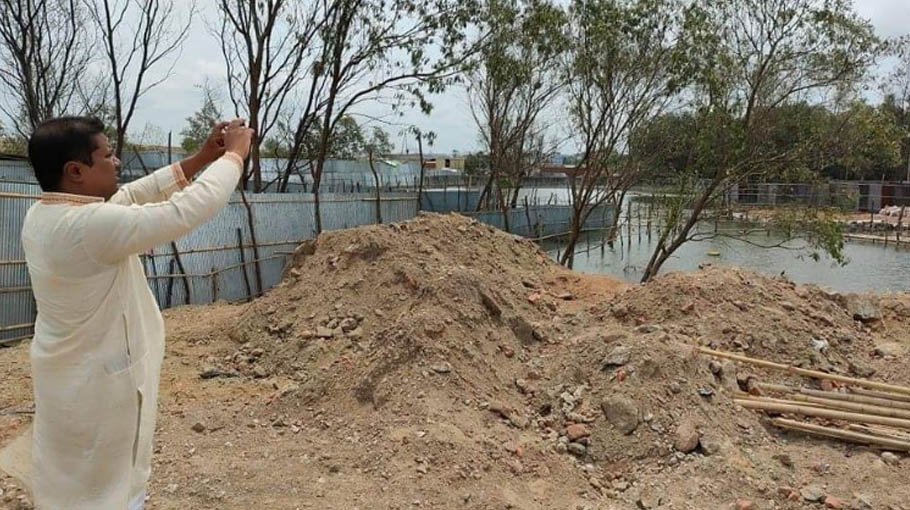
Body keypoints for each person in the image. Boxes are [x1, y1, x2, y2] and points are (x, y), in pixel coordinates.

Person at [20, 116, 254, 509]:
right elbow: (185, 212)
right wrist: (234, 156)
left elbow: (130, 197)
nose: (117, 163)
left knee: (68, 481)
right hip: (100, 390)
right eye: (107, 155)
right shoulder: (90, 227)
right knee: (108, 490)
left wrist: (200, 160)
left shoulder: (44, 214)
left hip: (67, 381)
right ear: (75, 172)